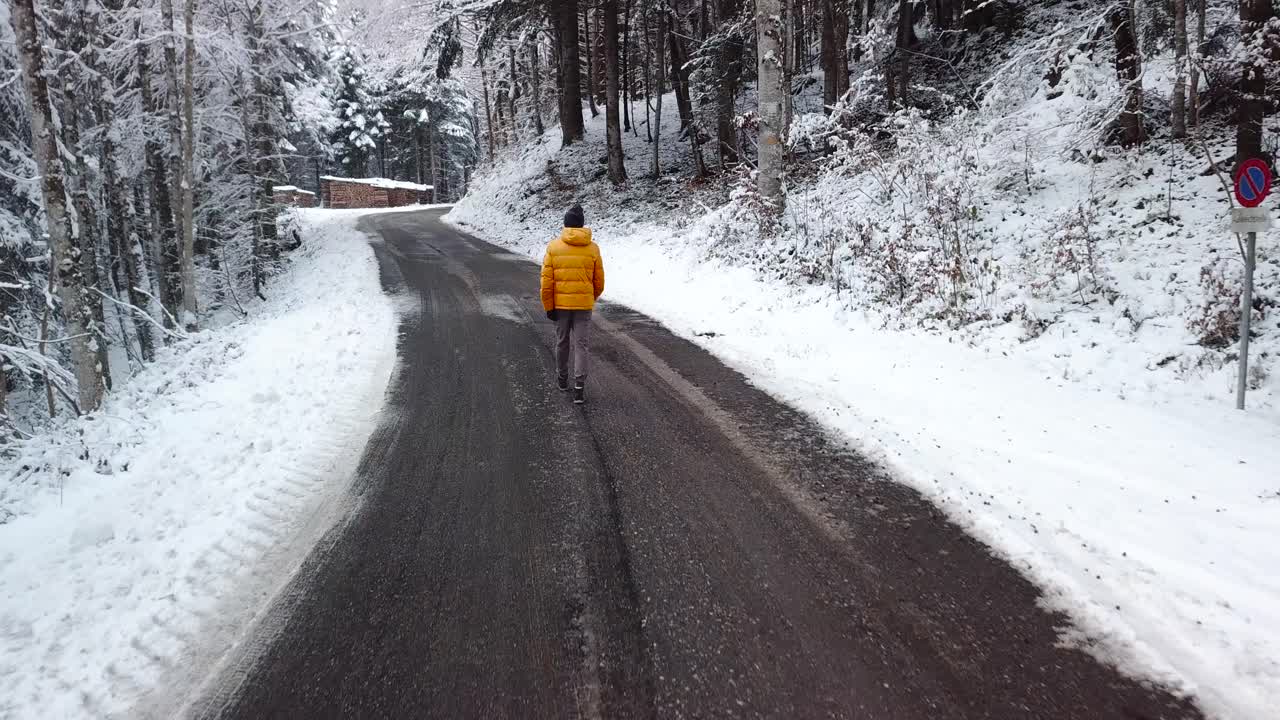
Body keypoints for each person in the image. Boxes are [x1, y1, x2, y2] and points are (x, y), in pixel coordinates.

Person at [541, 204, 604, 404]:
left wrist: (548, 306)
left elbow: (546, 282)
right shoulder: (593, 248)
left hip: (559, 306)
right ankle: (579, 387)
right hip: (583, 306)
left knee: (562, 342)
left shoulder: (553, 247)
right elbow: (599, 282)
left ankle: (562, 379)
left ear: (566, 224)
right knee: (581, 345)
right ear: (582, 225)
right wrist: (588, 297)